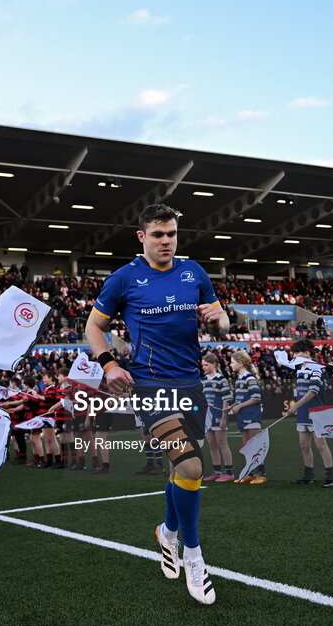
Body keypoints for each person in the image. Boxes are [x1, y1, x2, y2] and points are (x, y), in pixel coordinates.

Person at [85, 203, 228, 605]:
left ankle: (166, 531)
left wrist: (219, 320)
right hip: (149, 384)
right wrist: (109, 363)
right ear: (141, 237)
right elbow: (93, 327)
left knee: (178, 470)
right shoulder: (125, 278)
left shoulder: (194, 272)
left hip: (191, 382)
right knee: (192, 466)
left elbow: (223, 319)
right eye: (158, 235)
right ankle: (195, 556)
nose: (166, 241)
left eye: (172, 234)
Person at [282, 341, 333, 487]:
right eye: (293, 353)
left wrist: (295, 406)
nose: (294, 356)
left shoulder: (316, 368)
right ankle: (309, 475)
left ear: (307, 353)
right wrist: (298, 407)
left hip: (316, 412)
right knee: (303, 444)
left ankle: (331, 477)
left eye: (297, 352)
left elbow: (313, 391)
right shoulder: (300, 369)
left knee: (321, 444)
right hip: (303, 412)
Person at [227, 351, 266, 484]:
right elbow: (241, 399)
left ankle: (261, 474)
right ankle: (249, 473)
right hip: (243, 416)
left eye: (232, 362)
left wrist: (239, 406)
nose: (230, 365)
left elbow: (256, 398)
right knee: (246, 446)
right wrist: (232, 406)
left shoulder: (249, 378)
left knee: (255, 445)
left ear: (240, 363)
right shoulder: (239, 379)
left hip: (251, 416)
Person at [200, 353, 233, 482]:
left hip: (219, 416)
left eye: (206, 365)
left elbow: (226, 399)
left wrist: (224, 417)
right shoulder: (204, 380)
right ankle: (217, 472)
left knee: (222, 444)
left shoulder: (221, 379)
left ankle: (229, 472)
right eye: (203, 365)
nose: (204, 367)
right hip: (207, 418)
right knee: (212, 445)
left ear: (214, 364)